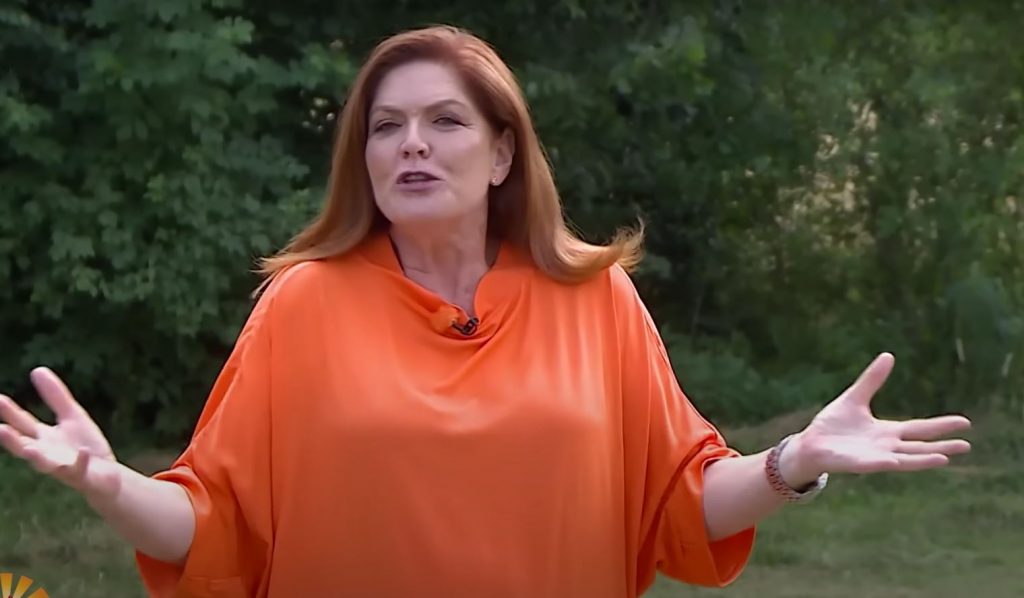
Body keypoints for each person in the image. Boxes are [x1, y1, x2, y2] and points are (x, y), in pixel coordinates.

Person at [0, 25, 972, 598]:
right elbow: (212, 525)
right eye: (386, 126)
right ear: (364, 159)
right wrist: (109, 485)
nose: (411, 144)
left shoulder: (594, 298)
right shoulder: (304, 304)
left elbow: (680, 501)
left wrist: (792, 460)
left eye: (444, 120)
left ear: (502, 153)